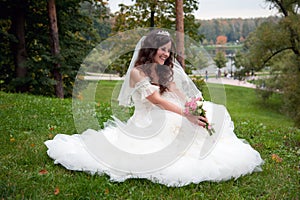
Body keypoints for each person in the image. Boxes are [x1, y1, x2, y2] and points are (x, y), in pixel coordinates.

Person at [45, 29, 263, 187]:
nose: (166, 54)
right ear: (151, 48)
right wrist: (186, 114)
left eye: (169, 51)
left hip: (169, 110)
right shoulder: (137, 73)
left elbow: (176, 91)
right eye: (162, 49)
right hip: (148, 121)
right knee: (173, 126)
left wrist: (192, 105)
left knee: (210, 111)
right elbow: (157, 100)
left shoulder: (163, 69)